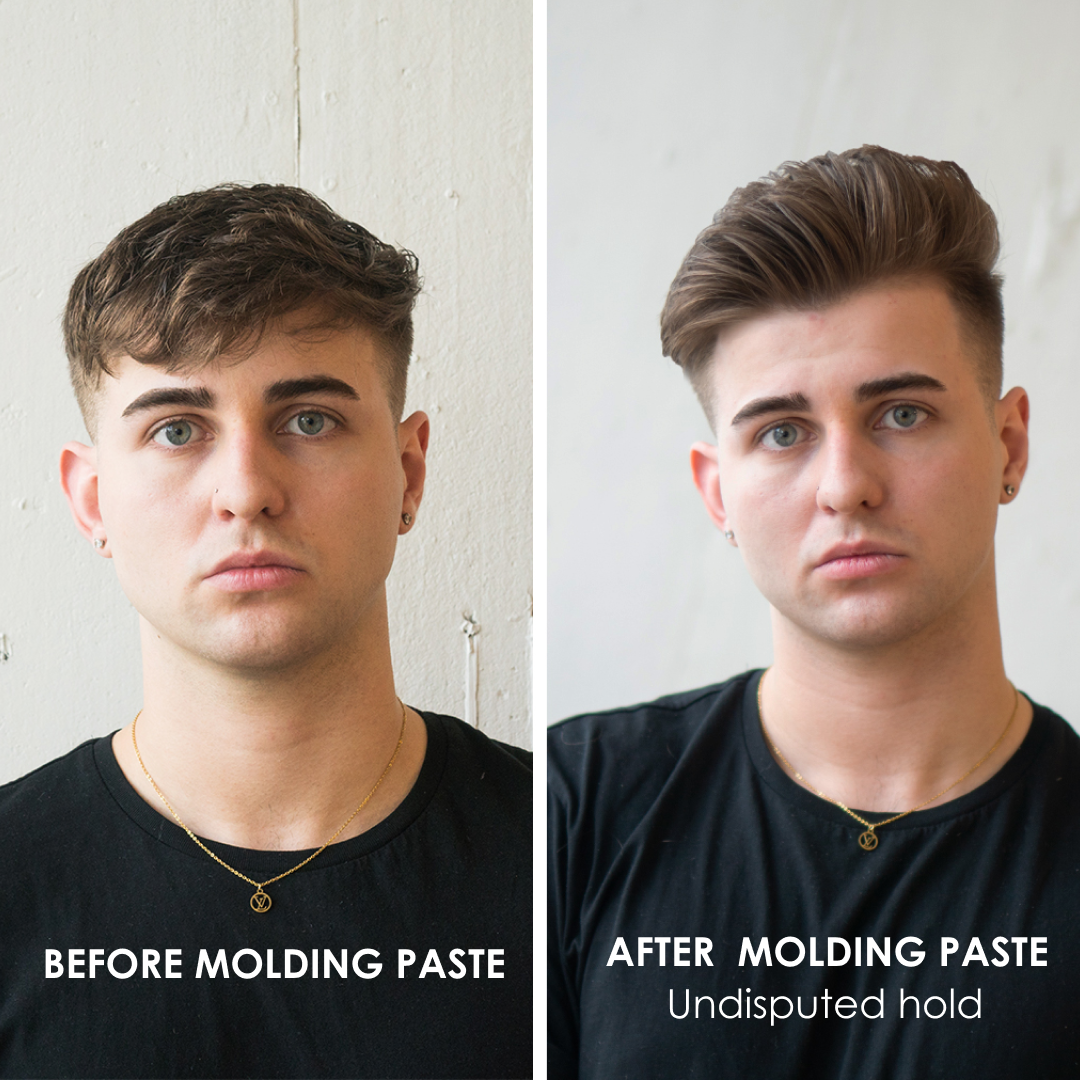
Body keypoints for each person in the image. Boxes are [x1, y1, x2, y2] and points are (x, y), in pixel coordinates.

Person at [548, 147, 1080, 1078]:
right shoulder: (572, 809)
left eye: (902, 414)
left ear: (1009, 444)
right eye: (782, 433)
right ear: (717, 495)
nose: (846, 486)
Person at [0, 185, 530, 1079]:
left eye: (309, 420)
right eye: (177, 430)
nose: (246, 489)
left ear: (408, 473)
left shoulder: (576, 859)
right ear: (92, 500)